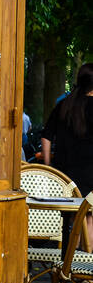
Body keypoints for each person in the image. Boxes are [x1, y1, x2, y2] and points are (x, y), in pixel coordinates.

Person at [38, 63, 93, 250]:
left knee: (71, 217)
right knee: (89, 217)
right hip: (90, 173)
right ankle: (83, 269)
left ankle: (68, 267)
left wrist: (49, 166)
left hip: (65, 174)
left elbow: (46, 136)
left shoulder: (64, 104)